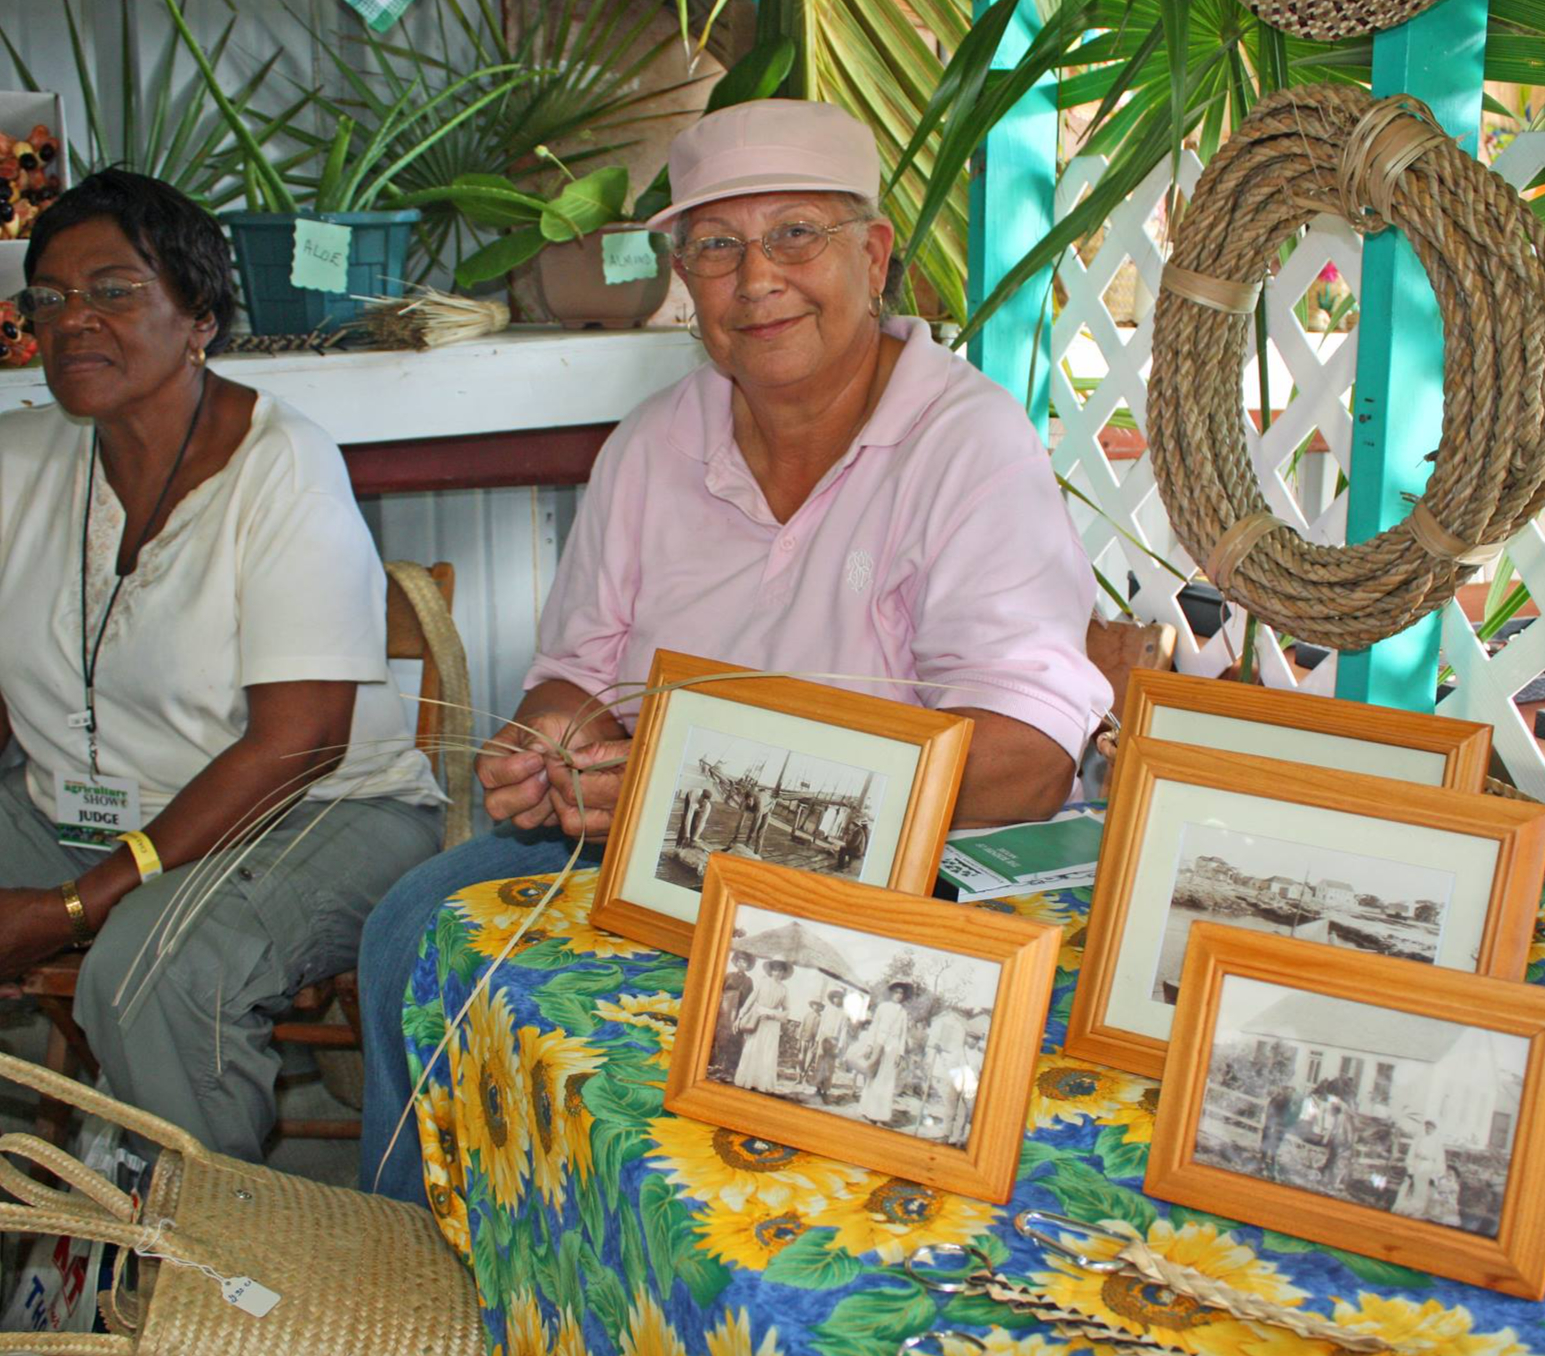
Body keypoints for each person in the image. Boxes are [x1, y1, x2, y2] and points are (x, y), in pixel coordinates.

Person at [358, 96, 1111, 1203]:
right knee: (411, 925)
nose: (757, 280)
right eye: (715, 246)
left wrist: (716, 787)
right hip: (660, 863)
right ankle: (419, 1271)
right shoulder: (655, 442)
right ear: (682, 274)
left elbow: (1028, 756)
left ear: (875, 253)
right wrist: (548, 739)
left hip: (890, 891)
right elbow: (582, 670)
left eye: (796, 234)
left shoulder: (968, 444)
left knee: (732, 1074)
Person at [0, 169, 441, 1290]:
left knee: (149, 971)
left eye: (115, 291)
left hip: (312, 815)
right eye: (47, 297)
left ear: (200, 318)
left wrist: (74, 908)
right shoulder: (15, 458)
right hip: (79, 811)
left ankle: (203, 1277)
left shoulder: (283, 465)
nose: (73, 319)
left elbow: (300, 740)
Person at [861, 981, 914, 1126]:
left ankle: (879, 1113)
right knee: (873, 1075)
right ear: (891, 993)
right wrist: (869, 1045)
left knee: (886, 1079)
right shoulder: (883, 1007)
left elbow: (903, 1034)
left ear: (903, 996)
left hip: (893, 1047)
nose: (898, 995)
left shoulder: (903, 1013)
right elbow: (874, 1026)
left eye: (901, 993)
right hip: (879, 1043)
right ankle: (867, 1109)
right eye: (896, 992)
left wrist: (900, 1054)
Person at [734, 960, 791, 1093]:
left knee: (767, 1051)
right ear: (771, 970)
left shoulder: (784, 989)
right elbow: (751, 1000)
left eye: (781, 970)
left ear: (783, 973)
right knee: (753, 1047)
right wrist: (740, 1016)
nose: (777, 972)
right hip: (757, 1018)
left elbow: (787, 1011)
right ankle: (747, 1079)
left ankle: (762, 1083)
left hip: (772, 1023)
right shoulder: (762, 982)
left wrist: (774, 1015)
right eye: (775, 969)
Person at [710, 950, 757, 1078]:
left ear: (748, 966)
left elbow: (750, 1000)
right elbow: (719, 991)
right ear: (736, 963)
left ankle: (730, 1067)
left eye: (745, 962)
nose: (742, 964)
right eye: (740, 961)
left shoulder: (749, 981)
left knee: (735, 1037)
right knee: (721, 1035)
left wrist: (744, 1014)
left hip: (738, 1011)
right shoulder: (728, 975)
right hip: (724, 1010)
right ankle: (717, 1064)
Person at [1396, 1118, 1448, 1218]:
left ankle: (1420, 1211)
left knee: (1424, 1191)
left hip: (1429, 1167)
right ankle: (1410, 1210)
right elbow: (1411, 1154)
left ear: (1434, 1129)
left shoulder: (1437, 1142)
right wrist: (1410, 1169)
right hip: (1417, 1165)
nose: (1428, 1130)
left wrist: (1435, 1175)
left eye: (1430, 1128)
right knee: (1414, 1188)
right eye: (1427, 1127)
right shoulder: (1418, 1139)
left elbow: (1440, 1159)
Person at [810, 987, 852, 1100]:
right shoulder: (827, 1011)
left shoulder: (844, 1014)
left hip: (834, 1041)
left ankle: (825, 1090)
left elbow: (843, 1030)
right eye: (835, 997)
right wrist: (817, 1040)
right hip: (824, 1038)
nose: (837, 1000)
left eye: (839, 998)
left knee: (829, 1066)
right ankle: (817, 1088)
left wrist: (840, 1045)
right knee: (820, 1063)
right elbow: (821, 1026)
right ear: (832, 998)